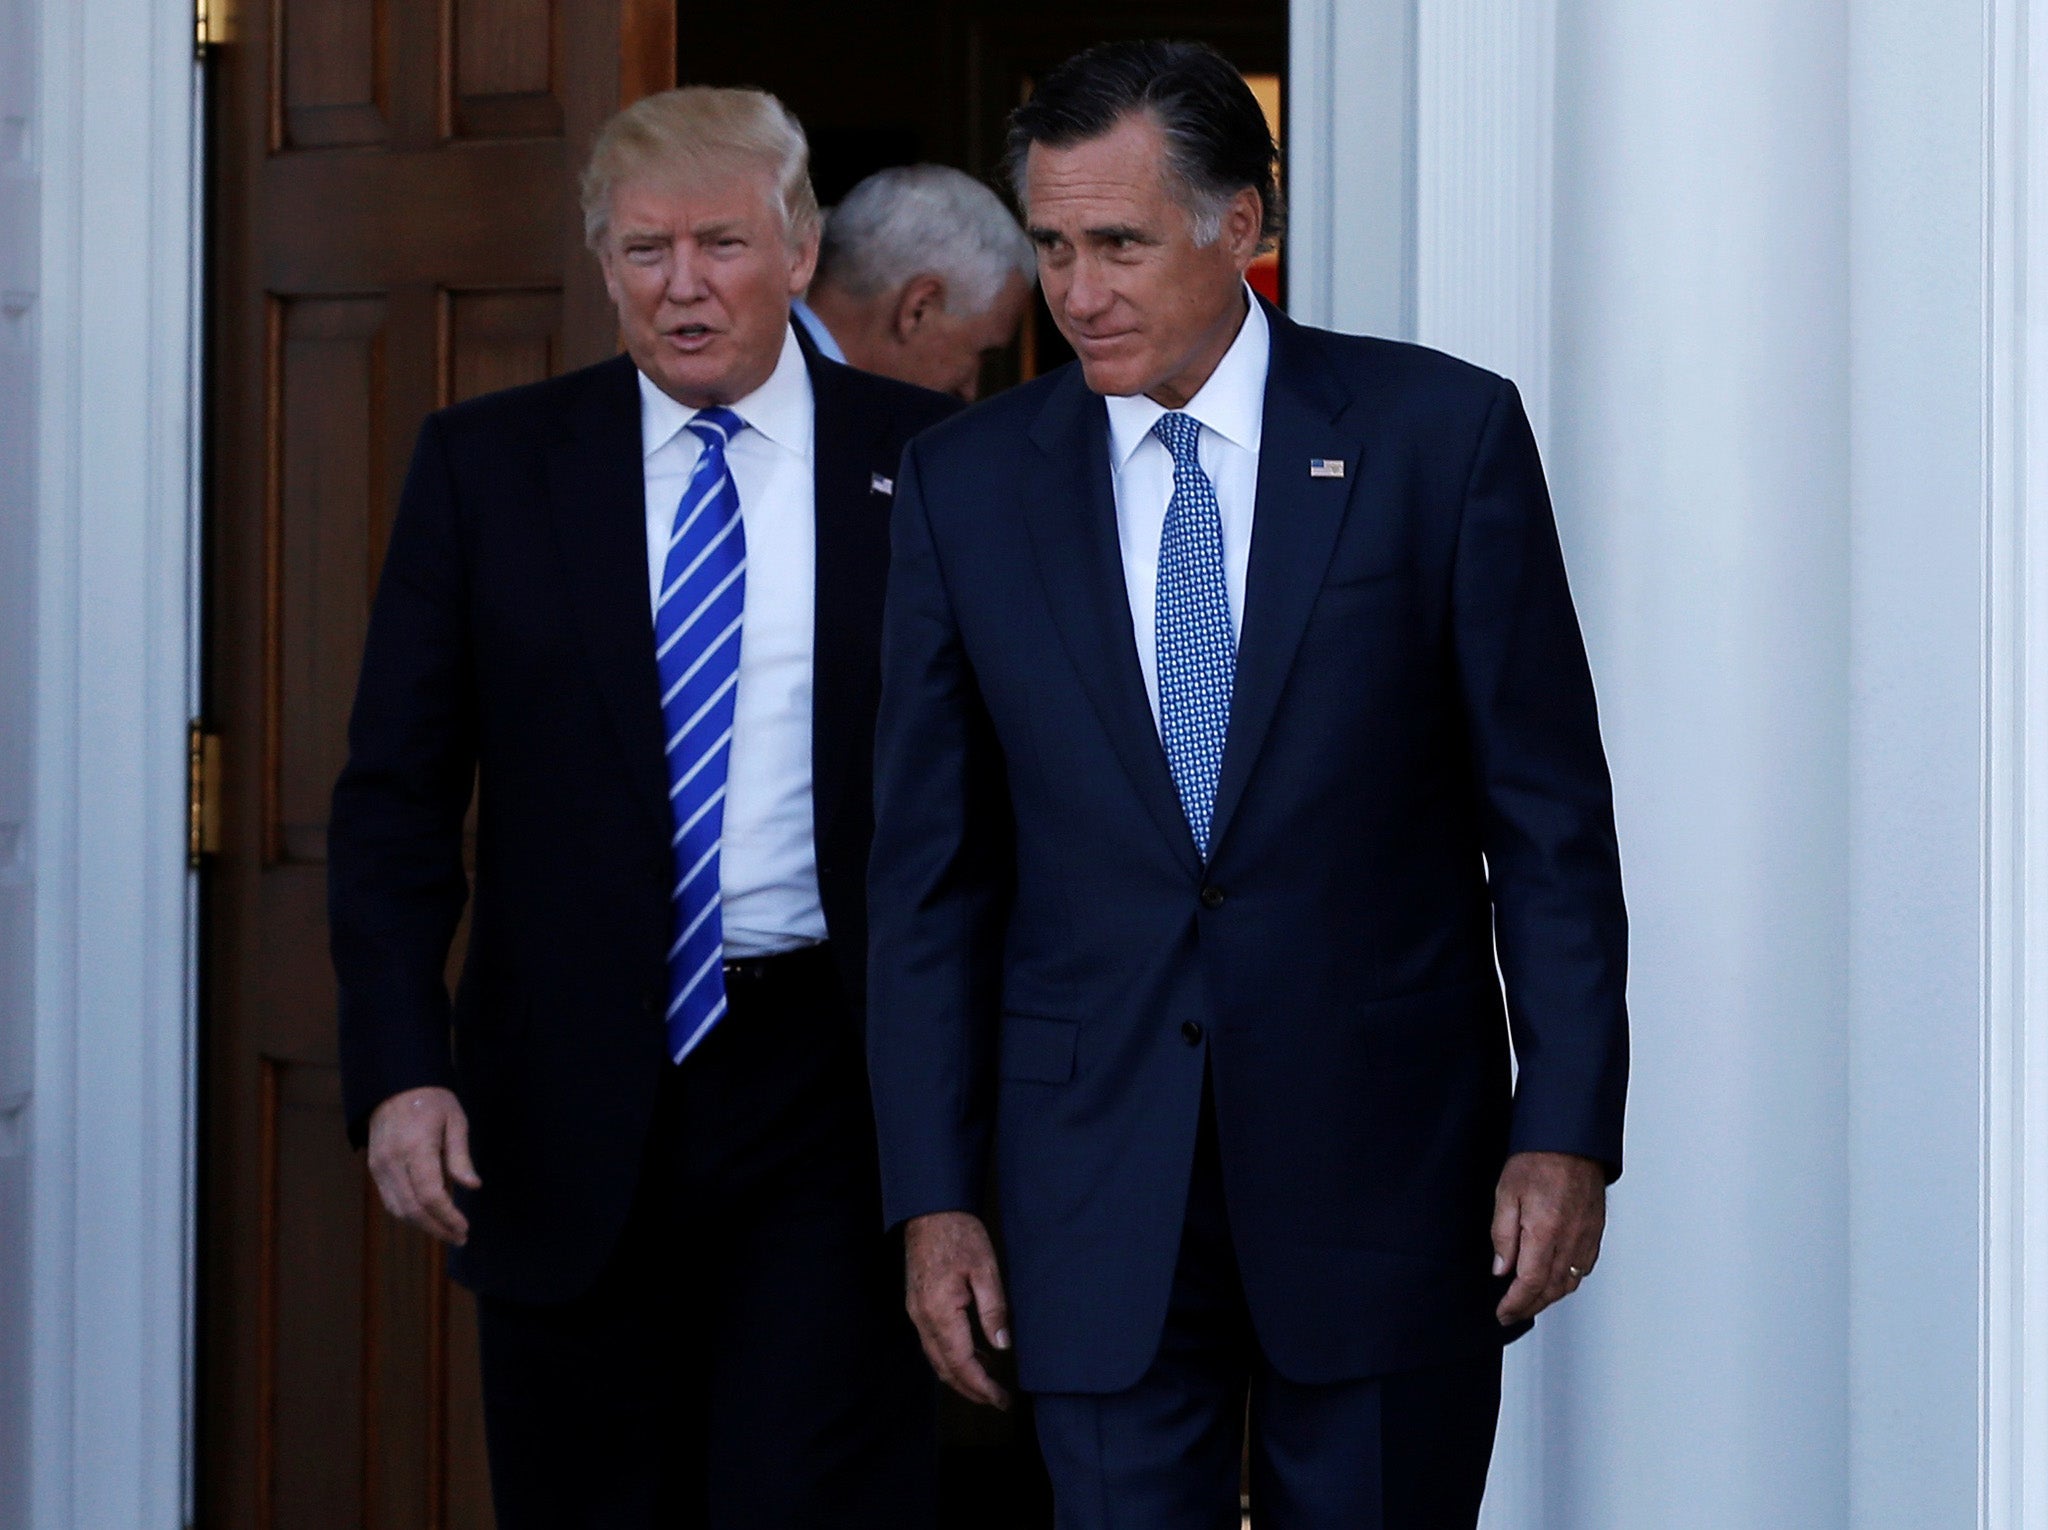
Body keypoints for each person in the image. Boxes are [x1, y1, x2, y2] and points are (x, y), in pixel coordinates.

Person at [865, 39, 1629, 1530]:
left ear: (1243, 228)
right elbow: (929, 876)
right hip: (1086, 1188)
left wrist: (1566, 1124)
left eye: (1122, 243)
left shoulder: (1436, 438)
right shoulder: (967, 484)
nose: (1079, 291)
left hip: (1387, 1176)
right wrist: (932, 1193)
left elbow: (1547, 825)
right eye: (1054, 248)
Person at [329, 86, 957, 1530]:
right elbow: (395, 801)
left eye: (723, 244)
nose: (685, 286)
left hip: (834, 1084)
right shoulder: (486, 467)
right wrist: (399, 1064)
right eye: (645, 249)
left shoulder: (932, 463)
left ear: (799, 253)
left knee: (815, 1498)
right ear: (603, 264)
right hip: (563, 1096)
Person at [794, 163, 1036, 401]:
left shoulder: (778, 375)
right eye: (982, 354)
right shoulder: (801, 405)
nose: (969, 391)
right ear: (919, 308)